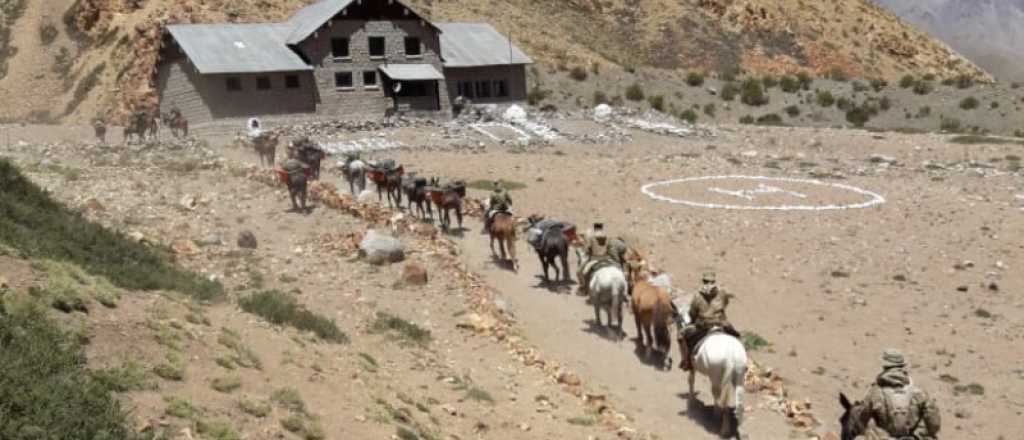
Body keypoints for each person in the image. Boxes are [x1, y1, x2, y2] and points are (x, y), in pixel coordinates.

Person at [856, 350, 941, 440]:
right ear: (902, 366)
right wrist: (918, 435)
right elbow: (934, 424)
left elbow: (861, 420)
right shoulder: (919, 393)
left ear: (885, 366)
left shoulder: (874, 393)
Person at [680, 272, 739, 371]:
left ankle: (687, 362)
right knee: (737, 336)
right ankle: (742, 363)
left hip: (703, 325)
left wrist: (693, 320)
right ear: (714, 281)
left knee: (681, 335)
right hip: (721, 323)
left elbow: (692, 313)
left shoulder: (697, 296)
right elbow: (725, 304)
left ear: (703, 281)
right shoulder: (722, 293)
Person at [577, 223, 617, 296]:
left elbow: (587, 249)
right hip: (606, 259)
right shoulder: (607, 237)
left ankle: (583, 289)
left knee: (580, 272)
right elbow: (611, 249)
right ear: (602, 228)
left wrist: (587, 251)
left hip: (594, 259)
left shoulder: (592, 237)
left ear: (595, 228)